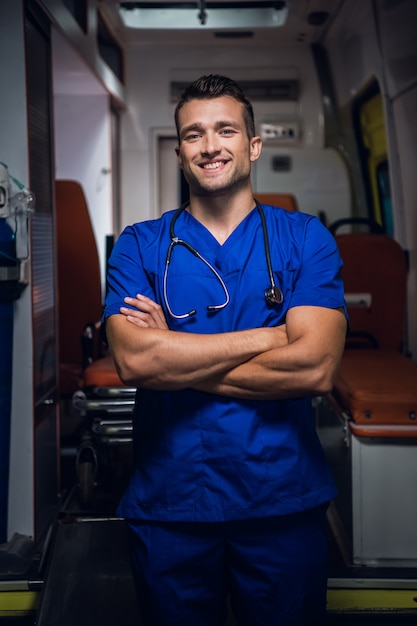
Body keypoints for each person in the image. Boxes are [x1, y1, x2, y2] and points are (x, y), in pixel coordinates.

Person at [103, 74, 347, 626]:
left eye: (225, 130)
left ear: (253, 145)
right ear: (181, 151)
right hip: (171, 503)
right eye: (193, 134)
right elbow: (134, 362)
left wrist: (175, 353)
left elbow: (315, 366)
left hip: (281, 503)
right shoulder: (140, 245)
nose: (209, 146)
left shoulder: (306, 239)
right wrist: (271, 335)